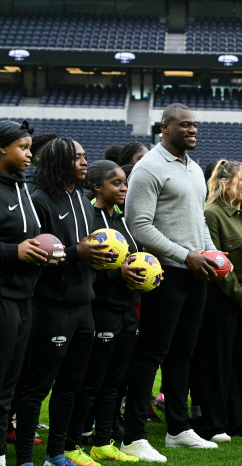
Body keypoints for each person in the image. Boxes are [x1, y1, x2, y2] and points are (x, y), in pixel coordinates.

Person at [121, 103, 221, 461]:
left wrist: (211, 254)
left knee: (183, 354)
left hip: (195, 272)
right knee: (151, 354)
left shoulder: (194, 168)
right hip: (164, 275)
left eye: (195, 125)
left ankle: (178, 429)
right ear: (164, 128)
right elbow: (139, 226)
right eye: (184, 125)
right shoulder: (147, 168)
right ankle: (133, 435)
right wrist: (185, 255)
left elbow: (199, 222)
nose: (192, 130)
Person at [16, 138, 112, 466]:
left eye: (86, 156)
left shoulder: (83, 201)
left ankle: (56, 454)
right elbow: (35, 255)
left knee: (70, 387)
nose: (85, 163)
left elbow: (86, 249)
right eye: (77, 158)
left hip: (84, 305)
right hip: (51, 308)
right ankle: (26, 459)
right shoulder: (39, 200)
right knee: (35, 389)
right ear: (58, 163)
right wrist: (77, 253)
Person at [65, 160, 145, 463]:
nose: (123, 188)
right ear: (98, 187)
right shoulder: (89, 218)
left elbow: (131, 258)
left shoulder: (122, 220)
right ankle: (73, 445)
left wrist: (146, 273)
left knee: (114, 382)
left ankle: (103, 442)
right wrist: (118, 274)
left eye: (125, 182)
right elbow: (88, 266)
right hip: (101, 310)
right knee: (92, 382)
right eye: (116, 183)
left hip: (127, 309)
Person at [198, 160, 242, 442]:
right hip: (223, 296)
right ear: (226, 182)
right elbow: (214, 261)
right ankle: (215, 425)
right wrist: (240, 293)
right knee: (218, 362)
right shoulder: (212, 214)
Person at [0, 120, 46, 466]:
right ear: (2, 148)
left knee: (8, 388)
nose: (30, 155)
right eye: (23, 147)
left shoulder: (21, 187)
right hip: (2, 298)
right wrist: (14, 252)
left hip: (24, 297)